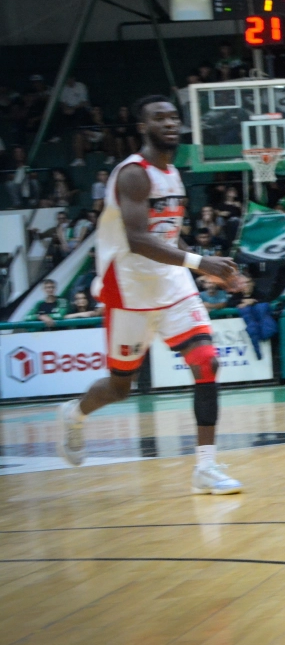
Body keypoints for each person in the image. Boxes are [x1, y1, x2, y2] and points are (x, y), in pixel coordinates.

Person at [56, 94, 243, 494]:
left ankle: (205, 468)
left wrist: (206, 270)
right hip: (130, 290)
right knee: (120, 387)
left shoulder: (172, 173)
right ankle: (75, 413)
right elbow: (139, 240)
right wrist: (202, 262)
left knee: (207, 363)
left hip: (172, 284)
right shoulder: (132, 174)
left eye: (174, 117)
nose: (170, 123)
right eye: (160, 118)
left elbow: (167, 237)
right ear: (143, 127)